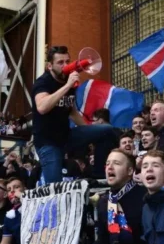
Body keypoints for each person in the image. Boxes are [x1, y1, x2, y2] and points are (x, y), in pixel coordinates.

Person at [31, 46, 117, 183]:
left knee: (107, 130)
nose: (65, 65)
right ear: (49, 66)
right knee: (55, 185)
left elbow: (71, 111)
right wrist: (67, 86)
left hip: (67, 136)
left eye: (67, 61)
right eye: (60, 62)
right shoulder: (43, 82)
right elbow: (42, 107)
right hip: (47, 142)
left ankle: (99, 174)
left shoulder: (68, 80)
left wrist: (89, 133)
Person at [68, 150, 146, 244]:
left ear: (130, 171)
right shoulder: (104, 202)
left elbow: (153, 239)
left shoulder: (144, 197)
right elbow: (104, 242)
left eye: (116, 163)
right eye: (108, 163)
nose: (110, 167)